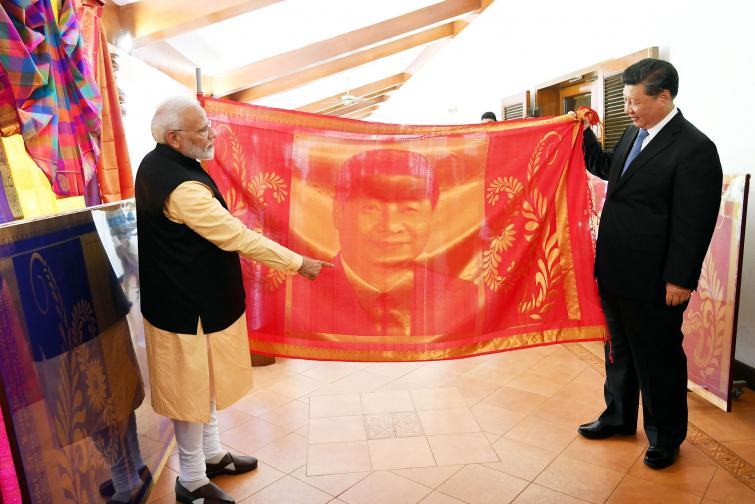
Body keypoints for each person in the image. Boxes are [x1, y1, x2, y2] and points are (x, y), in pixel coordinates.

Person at [135, 96, 331, 504]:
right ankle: (191, 480)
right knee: (188, 393)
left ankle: (211, 455)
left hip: (197, 302)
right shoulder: (180, 185)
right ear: (174, 137)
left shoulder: (168, 164)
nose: (212, 135)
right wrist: (298, 263)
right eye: (202, 129)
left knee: (203, 381)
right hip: (183, 309)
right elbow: (235, 237)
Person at [576, 58, 722, 469]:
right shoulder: (633, 134)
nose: (628, 109)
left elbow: (694, 222)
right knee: (618, 352)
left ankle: (665, 435)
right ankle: (618, 417)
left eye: (635, 102)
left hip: (656, 279)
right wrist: (582, 135)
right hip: (615, 270)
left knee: (658, 359)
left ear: (664, 97)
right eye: (625, 100)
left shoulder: (694, 148)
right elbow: (610, 170)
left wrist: (680, 278)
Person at [290, 148, 478, 338]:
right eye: (371, 208)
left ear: (432, 216)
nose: (391, 226)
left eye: (409, 210)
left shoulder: (461, 297)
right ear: (338, 213)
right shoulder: (298, 296)